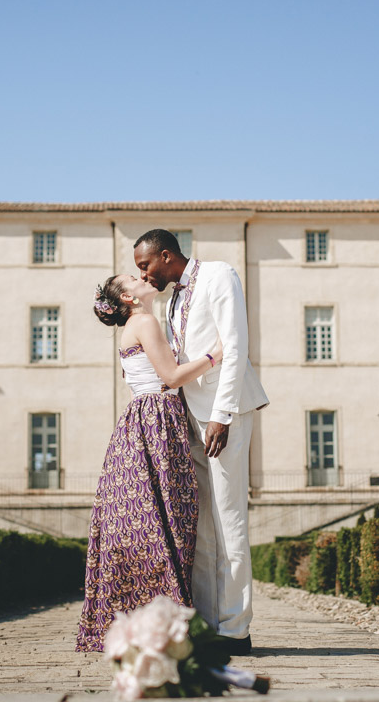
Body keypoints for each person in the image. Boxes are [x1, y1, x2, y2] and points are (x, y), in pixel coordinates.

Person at [133, 229, 269, 655]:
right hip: (190, 418)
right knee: (204, 525)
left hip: (223, 416)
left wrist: (222, 414)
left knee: (229, 518)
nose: (143, 275)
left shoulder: (218, 276)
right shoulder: (172, 297)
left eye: (145, 266)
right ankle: (210, 623)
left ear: (166, 255)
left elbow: (235, 345)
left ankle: (236, 630)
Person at [75, 273, 224, 653]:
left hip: (140, 422)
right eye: (133, 278)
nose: (143, 276)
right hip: (156, 422)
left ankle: (141, 621)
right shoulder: (143, 321)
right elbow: (171, 376)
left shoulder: (135, 325)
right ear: (128, 296)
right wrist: (216, 355)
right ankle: (165, 622)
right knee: (166, 519)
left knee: (146, 521)